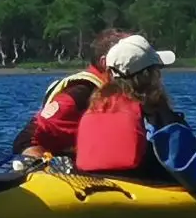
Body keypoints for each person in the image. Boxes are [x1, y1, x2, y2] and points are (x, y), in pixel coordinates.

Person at [74, 34, 196, 195]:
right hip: (144, 187)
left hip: (98, 183)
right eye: (157, 69)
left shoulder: (97, 106)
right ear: (148, 75)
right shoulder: (156, 116)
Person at [12, 28, 131, 156]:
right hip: (61, 167)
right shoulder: (81, 92)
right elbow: (25, 141)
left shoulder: (120, 90)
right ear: (105, 63)